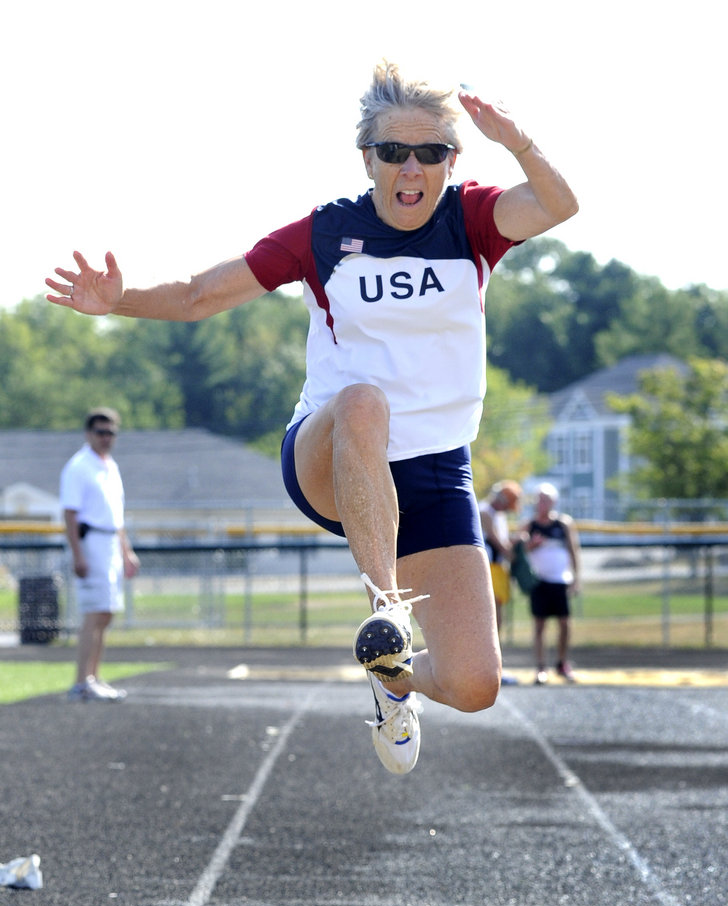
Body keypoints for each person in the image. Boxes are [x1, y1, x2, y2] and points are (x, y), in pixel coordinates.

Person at [46, 62, 578, 770]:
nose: (411, 168)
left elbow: (558, 205)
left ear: (453, 159)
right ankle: (386, 608)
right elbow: (200, 294)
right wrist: (117, 299)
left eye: (431, 152)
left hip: (433, 471)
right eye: (393, 152)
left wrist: (517, 140)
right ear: (368, 157)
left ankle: (392, 674)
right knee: (364, 401)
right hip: (331, 452)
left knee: (475, 685)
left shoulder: (474, 221)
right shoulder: (325, 233)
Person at [60, 408, 140, 702]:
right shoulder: (79, 466)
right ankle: (81, 681)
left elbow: (116, 517)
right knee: (94, 613)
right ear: (88, 434)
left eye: (110, 433)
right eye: (100, 432)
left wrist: (126, 551)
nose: (106, 438)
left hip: (110, 544)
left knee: (106, 613)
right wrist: (78, 555)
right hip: (91, 541)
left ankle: (93, 676)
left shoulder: (110, 466)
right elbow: (70, 513)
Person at [523, 483, 581, 685]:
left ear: (553, 502)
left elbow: (574, 550)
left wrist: (576, 578)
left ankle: (562, 663)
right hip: (539, 582)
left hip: (559, 581)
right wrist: (531, 545)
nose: (541, 503)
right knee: (539, 625)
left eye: (545, 499)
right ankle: (541, 667)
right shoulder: (529, 525)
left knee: (564, 623)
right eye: (539, 499)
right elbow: (519, 554)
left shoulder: (563, 524)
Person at [479, 480, 523, 633]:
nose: (507, 509)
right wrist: (512, 555)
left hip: (497, 567)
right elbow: (497, 542)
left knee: (497, 607)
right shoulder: (485, 512)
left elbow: (503, 541)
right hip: (488, 567)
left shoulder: (499, 515)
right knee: (491, 607)